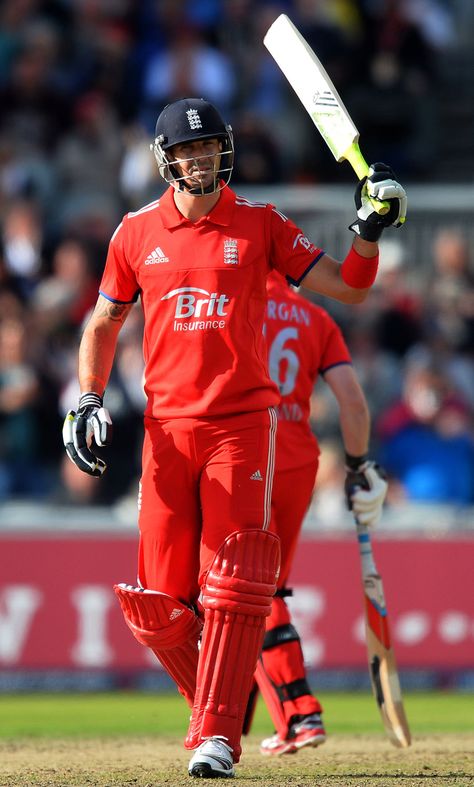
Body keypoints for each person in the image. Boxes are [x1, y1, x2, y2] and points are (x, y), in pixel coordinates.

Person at [62, 97, 406, 779]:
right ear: (165, 160)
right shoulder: (134, 234)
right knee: (158, 604)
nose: (200, 160)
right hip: (165, 430)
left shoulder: (259, 224)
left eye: (210, 147)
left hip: (242, 429)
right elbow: (101, 325)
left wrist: (367, 231)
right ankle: (219, 705)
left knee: (235, 583)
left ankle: (217, 737)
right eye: (186, 152)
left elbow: (352, 288)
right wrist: (88, 399)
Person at [242, 270, 388, 756]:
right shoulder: (316, 317)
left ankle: (299, 711)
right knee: (266, 588)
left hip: (244, 456)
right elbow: (353, 403)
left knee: (246, 591)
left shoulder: (235, 305)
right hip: (300, 461)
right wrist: (357, 466)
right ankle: (251, 710)